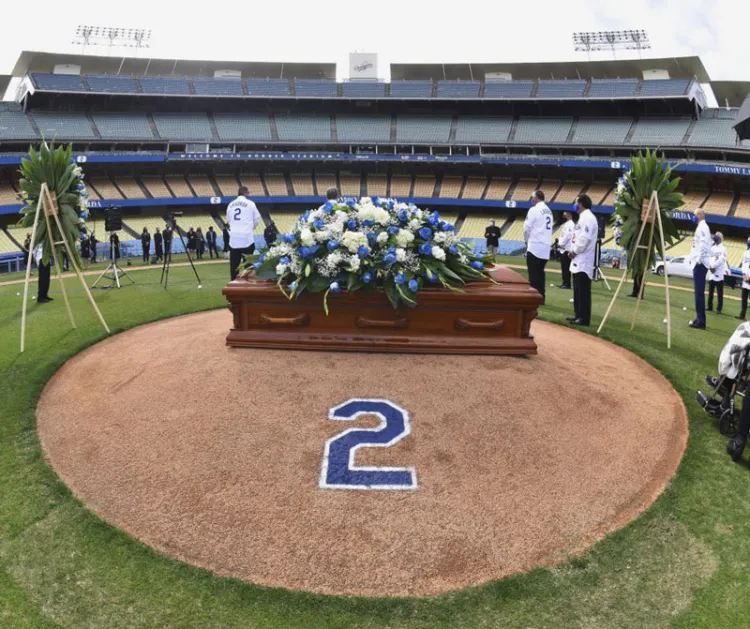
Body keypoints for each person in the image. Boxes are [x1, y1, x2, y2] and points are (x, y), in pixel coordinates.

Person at [566, 194, 598, 327]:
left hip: (583, 258)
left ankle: (584, 318)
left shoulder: (588, 218)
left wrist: (574, 251)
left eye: (576, 202)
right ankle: (578, 314)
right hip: (578, 259)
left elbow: (584, 239)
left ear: (581, 203)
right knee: (577, 289)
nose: (574, 205)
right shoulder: (583, 217)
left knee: (583, 290)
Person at [523, 190, 553, 302]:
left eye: (532, 197)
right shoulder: (549, 211)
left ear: (535, 198)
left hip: (535, 245)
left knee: (533, 274)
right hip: (545, 247)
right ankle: (541, 296)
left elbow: (526, 228)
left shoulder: (534, 210)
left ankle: (533, 298)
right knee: (541, 273)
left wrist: (526, 240)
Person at [227, 186, 262, 280]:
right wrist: (251, 228)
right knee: (249, 266)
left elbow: (229, 220)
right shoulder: (250, 204)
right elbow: (257, 219)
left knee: (234, 266)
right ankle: (248, 286)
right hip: (247, 238)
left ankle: (233, 288)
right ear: (246, 193)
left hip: (234, 239)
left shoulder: (230, 205)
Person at [688, 209, 711, 329]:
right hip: (699, 262)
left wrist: (698, 260)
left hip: (700, 264)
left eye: (695, 215)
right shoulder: (701, 227)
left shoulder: (703, 227)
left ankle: (701, 321)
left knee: (699, 293)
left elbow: (703, 245)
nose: (694, 217)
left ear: (701, 215)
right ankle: (699, 318)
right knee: (698, 293)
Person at [707, 231, 728, 315]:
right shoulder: (712, 248)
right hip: (711, 272)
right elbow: (708, 258)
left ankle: (719, 308)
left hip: (718, 272)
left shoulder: (723, 249)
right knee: (710, 291)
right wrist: (710, 267)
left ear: (719, 238)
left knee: (719, 293)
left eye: (716, 236)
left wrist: (713, 266)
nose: (714, 237)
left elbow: (722, 260)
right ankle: (709, 306)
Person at [558, 210, 575, 289]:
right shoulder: (567, 224)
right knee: (564, 267)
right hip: (564, 248)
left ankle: (567, 283)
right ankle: (564, 282)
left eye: (566, 215)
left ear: (570, 216)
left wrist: (561, 243)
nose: (564, 217)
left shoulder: (570, 224)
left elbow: (568, 235)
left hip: (566, 248)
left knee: (566, 267)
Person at [737, 236, 750, 320]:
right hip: (745, 278)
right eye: (748, 241)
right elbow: (743, 265)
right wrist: (744, 275)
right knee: (744, 298)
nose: (748, 242)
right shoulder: (746, 252)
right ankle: (742, 315)